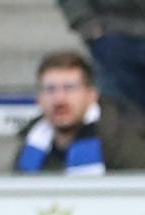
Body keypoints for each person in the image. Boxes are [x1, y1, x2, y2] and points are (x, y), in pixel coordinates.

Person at [14, 51, 145, 174]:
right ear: (39, 99)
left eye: (69, 88)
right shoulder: (32, 140)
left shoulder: (122, 139)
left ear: (91, 95)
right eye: (50, 89)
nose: (59, 99)